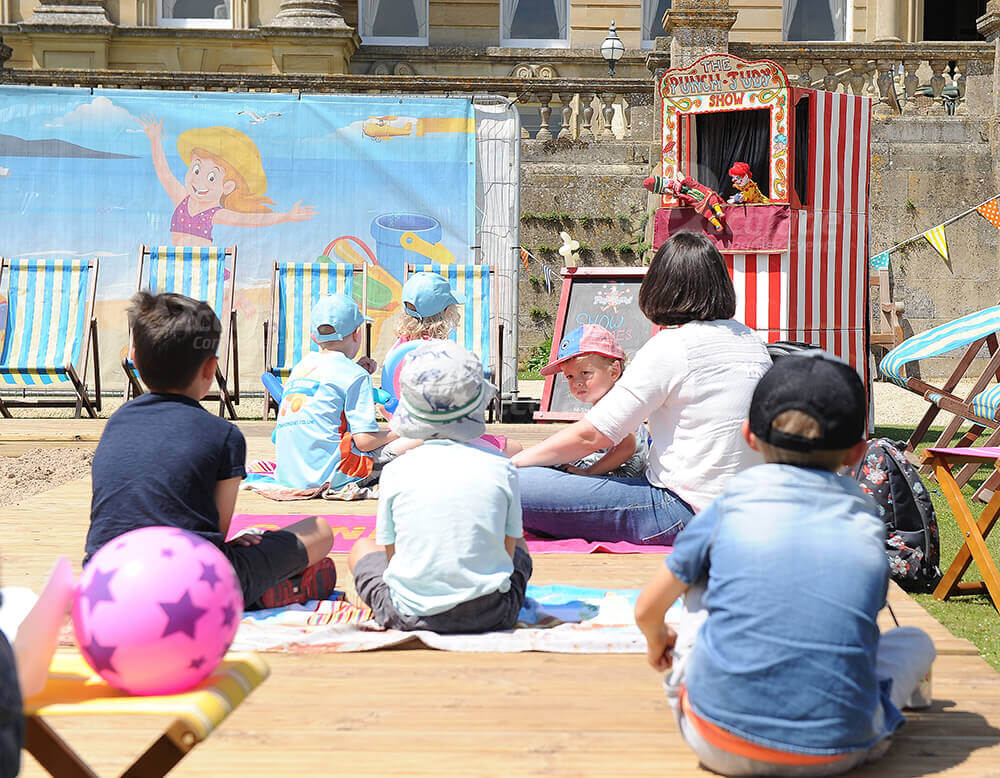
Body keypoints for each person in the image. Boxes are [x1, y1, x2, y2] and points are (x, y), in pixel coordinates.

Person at [634, 352, 936, 776]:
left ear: (748, 437)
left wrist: (656, 641)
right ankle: (888, 709)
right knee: (916, 642)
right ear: (858, 452)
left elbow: (647, 608)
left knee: (701, 582)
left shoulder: (727, 510)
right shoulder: (867, 522)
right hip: (840, 751)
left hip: (716, 740)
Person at [512, 231, 772, 545]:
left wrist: (512, 464)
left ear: (660, 286)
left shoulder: (673, 346)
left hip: (681, 510)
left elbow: (592, 435)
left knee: (512, 484)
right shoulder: (752, 341)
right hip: (749, 509)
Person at [86, 292, 335, 609]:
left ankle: (263, 590)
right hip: (193, 590)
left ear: (134, 358)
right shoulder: (224, 435)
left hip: (105, 584)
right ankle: (265, 590)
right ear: (210, 369)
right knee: (320, 532)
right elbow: (215, 532)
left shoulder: (116, 423)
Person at [347, 340, 532, 633]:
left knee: (362, 547)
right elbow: (511, 551)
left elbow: (391, 557)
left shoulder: (396, 471)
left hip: (408, 615)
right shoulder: (502, 467)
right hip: (495, 612)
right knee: (521, 544)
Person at [381, 271, 520, 456]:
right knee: (515, 449)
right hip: (441, 437)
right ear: (447, 312)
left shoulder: (396, 351)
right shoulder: (442, 356)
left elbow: (385, 405)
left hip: (403, 434)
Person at [274, 292, 400, 494]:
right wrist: (398, 432)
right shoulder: (355, 375)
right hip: (330, 475)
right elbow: (365, 441)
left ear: (315, 337)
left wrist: (356, 369)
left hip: (290, 475)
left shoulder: (301, 367)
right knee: (411, 443)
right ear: (357, 333)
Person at [138, 115, 315, 246]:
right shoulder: (181, 199)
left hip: (205, 271)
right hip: (178, 267)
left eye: (212, 177)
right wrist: (155, 140)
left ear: (228, 186)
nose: (199, 181)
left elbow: (251, 220)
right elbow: (164, 173)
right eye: (197, 169)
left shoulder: (215, 213)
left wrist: (287, 216)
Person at [539, 324, 647, 478]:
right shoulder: (609, 402)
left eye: (585, 373)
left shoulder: (617, 404)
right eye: (570, 376)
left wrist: (589, 472)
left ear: (614, 371)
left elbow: (627, 446)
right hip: (611, 472)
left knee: (546, 468)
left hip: (624, 479)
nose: (577, 382)